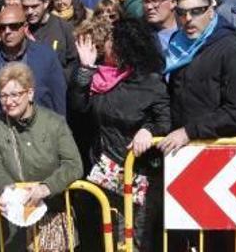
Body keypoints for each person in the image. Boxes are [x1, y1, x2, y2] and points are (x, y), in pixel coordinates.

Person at [70, 18, 169, 250]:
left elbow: (165, 119)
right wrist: (85, 69)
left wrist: (148, 130)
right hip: (104, 174)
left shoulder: (151, 83)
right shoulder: (101, 77)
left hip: (140, 177)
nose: (106, 44)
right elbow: (79, 107)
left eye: (112, 41)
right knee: (110, 240)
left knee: (136, 240)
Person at [0, 62, 83, 251]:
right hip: (13, 218)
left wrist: (47, 187)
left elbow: (73, 164)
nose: (9, 101)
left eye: (15, 94)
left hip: (52, 215)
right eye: (3, 95)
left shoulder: (54, 123)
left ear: (30, 93)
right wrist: (6, 189)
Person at [158, 0, 236, 154]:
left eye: (196, 11)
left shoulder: (232, 49)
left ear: (211, 11)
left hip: (217, 150)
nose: (188, 18)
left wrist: (189, 132)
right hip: (177, 148)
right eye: (181, 12)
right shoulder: (176, 46)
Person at [0, 6, 67, 117]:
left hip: (40, 129)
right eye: (2, 27)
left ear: (25, 27)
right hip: (1, 129)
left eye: (13, 26)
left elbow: (58, 99)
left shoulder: (46, 56)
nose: (7, 31)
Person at [22, 0, 77, 73]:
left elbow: (73, 63)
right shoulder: (21, 30)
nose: (30, 12)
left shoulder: (64, 28)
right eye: (25, 7)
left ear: (46, 3)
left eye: (34, 6)